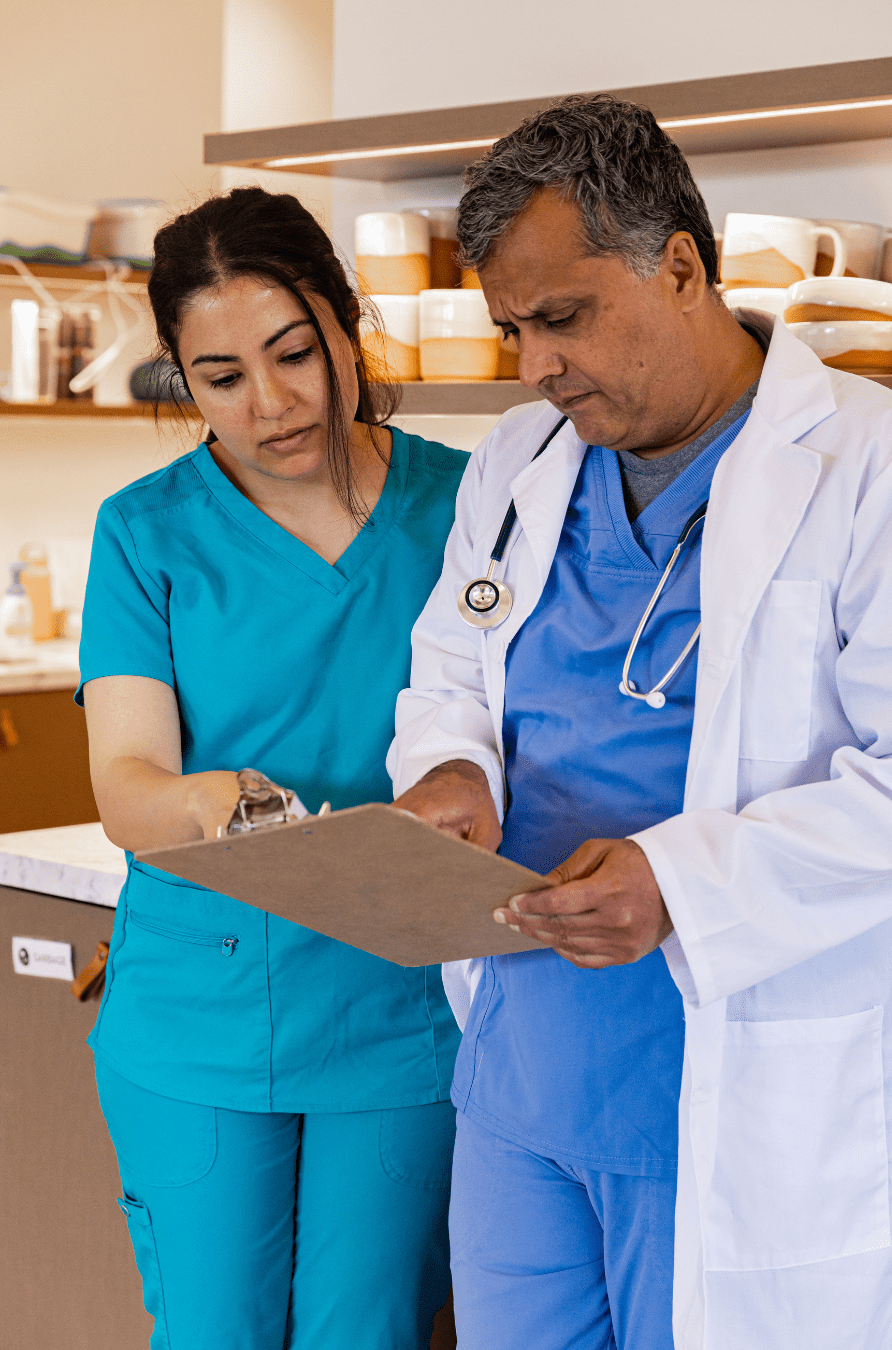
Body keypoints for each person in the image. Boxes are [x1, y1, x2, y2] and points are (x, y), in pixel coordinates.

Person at [388, 93, 892, 1350]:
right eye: (512, 329)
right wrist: (449, 765)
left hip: (727, 1068)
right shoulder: (518, 463)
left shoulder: (865, 464)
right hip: (522, 1059)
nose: (533, 367)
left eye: (561, 319)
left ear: (678, 266)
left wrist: (677, 879)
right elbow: (449, 661)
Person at [78, 186, 467, 1350]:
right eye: (222, 376)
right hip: (200, 1009)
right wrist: (204, 801)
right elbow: (127, 781)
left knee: (369, 1329)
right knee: (215, 1331)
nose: (273, 403)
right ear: (182, 381)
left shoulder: (470, 505)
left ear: (348, 326)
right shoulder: (144, 531)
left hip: (401, 1006)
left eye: (294, 352)